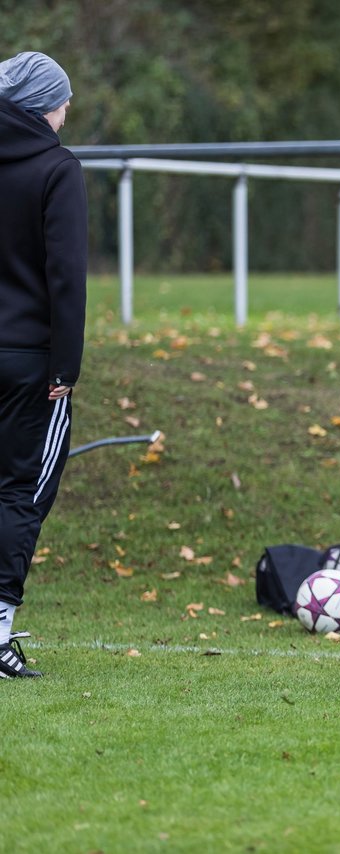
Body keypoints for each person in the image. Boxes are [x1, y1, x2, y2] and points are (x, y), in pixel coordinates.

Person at [0, 51, 86, 679]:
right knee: (22, 493)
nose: (66, 113)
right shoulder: (58, 169)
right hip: (31, 363)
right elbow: (66, 277)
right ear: (41, 105)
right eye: (61, 101)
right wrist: (67, 367)